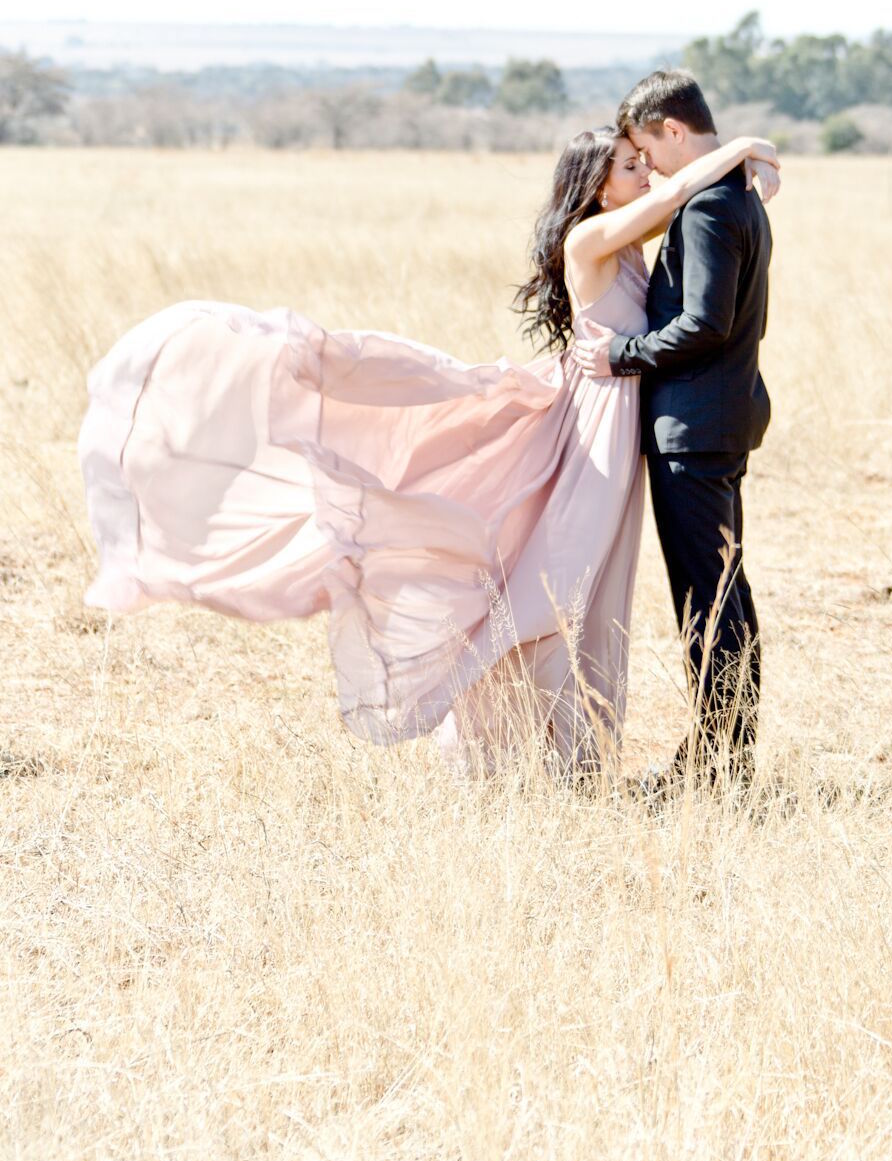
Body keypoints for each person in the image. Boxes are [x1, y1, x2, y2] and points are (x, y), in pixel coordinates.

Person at [78, 122, 778, 776]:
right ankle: (529, 748)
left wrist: (745, 174)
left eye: (643, 161)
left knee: (599, 586)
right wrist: (749, 146)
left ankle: (576, 748)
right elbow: (684, 189)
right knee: (559, 581)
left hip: (615, 422)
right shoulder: (590, 241)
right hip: (593, 422)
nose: (648, 173)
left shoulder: (624, 238)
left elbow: (683, 206)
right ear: (598, 186)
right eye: (631, 166)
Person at [574, 71, 773, 792]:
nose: (650, 168)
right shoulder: (734, 194)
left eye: (647, 151)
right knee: (725, 595)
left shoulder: (709, 208)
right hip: (716, 418)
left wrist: (619, 355)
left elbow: (703, 324)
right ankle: (724, 756)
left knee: (707, 600)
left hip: (695, 428)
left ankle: (719, 767)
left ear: (673, 131)